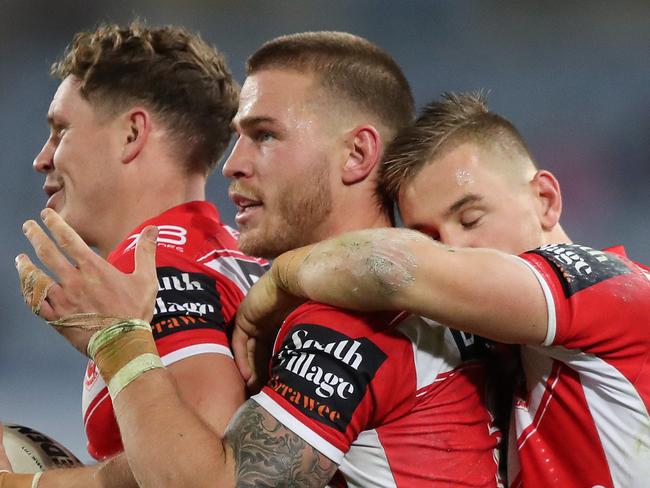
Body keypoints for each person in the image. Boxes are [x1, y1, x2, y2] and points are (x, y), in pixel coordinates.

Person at [13, 33, 502, 487]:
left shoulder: (354, 320)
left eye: (265, 135)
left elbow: (211, 482)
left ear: (357, 154)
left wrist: (119, 339)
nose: (233, 163)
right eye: (239, 136)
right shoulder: (426, 293)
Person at [234, 92, 650, 487]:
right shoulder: (512, 346)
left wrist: (279, 279)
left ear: (545, 198)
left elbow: (396, 270)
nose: (452, 249)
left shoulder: (607, 288)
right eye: (427, 237)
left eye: (470, 219)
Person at [2, 22, 267, 487]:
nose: (42, 157)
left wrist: (33, 484)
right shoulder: (228, 254)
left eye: (61, 131)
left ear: (132, 133)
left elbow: (203, 463)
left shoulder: (153, 269)